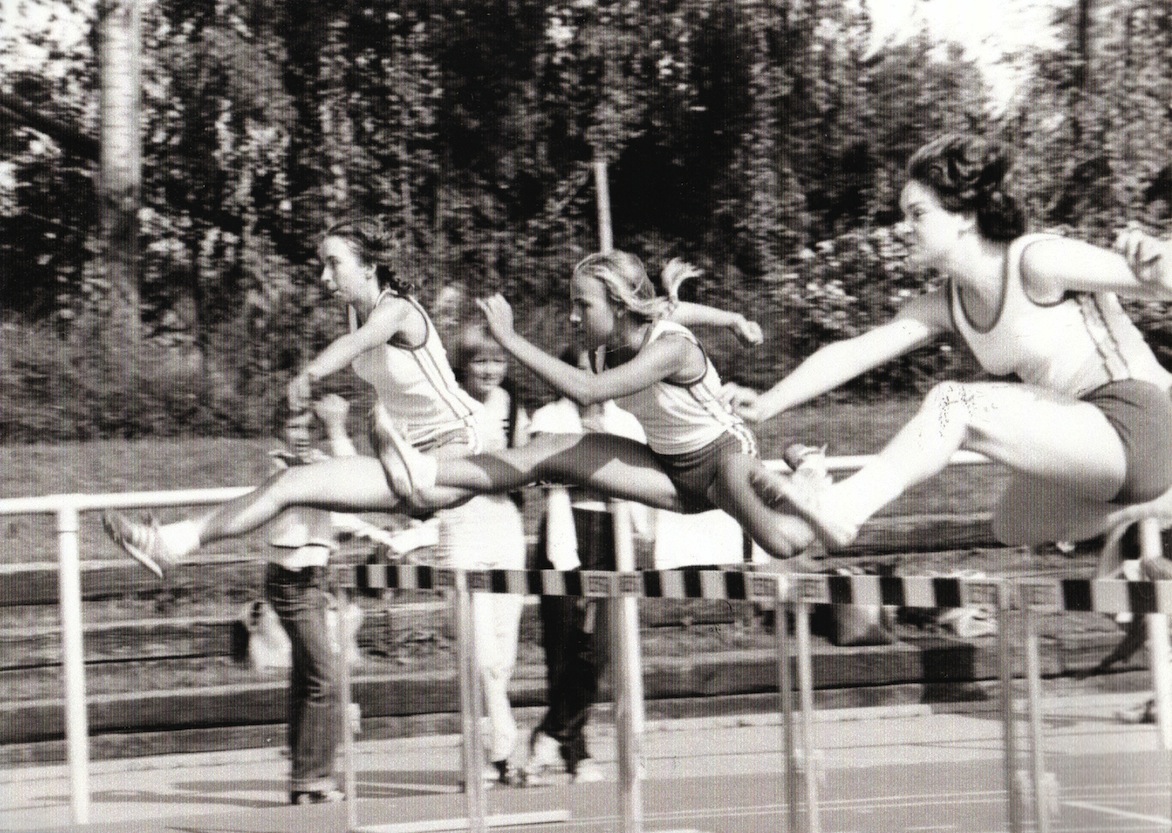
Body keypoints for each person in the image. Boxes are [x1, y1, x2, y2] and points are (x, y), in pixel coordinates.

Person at [734, 134, 1172, 576]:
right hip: (1094, 436)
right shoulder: (948, 303)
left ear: (963, 216)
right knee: (1015, 523)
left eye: (918, 214)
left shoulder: (1036, 259)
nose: (905, 227)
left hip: (1143, 420)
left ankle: (844, 507)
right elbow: (855, 352)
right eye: (904, 216)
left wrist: (1158, 255)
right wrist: (769, 402)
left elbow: (1160, 281)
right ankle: (1160, 505)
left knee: (954, 403)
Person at [101, 215, 491, 578]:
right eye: (323, 265)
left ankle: (415, 520)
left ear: (369, 266)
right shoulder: (356, 311)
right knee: (289, 483)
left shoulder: (397, 310)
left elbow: (357, 343)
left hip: (456, 447)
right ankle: (169, 543)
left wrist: (312, 372)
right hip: (409, 456)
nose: (324, 276)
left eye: (334, 263)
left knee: (385, 480)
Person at [367, 250, 817, 563]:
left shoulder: (670, 348)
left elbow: (588, 391)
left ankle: (808, 478)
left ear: (619, 306)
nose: (573, 316)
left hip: (725, 459)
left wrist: (510, 339)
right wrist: (732, 319)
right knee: (548, 450)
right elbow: (674, 307)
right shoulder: (613, 342)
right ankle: (423, 471)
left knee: (783, 543)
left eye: (583, 305)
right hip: (669, 472)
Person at [525, 345, 648, 784]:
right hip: (565, 530)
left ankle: (550, 731)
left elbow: (639, 478)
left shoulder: (626, 422)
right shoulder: (547, 418)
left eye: (598, 371)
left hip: (612, 531)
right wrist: (596, 454)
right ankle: (576, 752)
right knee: (562, 644)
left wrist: (591, 456)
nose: (589, 381)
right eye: (579, 371)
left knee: (602, 646)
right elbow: (544, 470)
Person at [446, 320, 530, 786]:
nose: (490, 370)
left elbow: (525, 465)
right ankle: (502, 745)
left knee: (503, 649)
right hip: (461, 523)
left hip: (504, 523)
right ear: (463, 364)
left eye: (498, 360)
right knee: (478, 655)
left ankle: (490, 756)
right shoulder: (446, 400)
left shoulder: (512, 404)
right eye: (481, 360)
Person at [264, 394, 357, 806]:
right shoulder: (281, 466)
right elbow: (341, 482)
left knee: (308, 678)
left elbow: (355, 481)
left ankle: (304, 777)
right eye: (293, 426)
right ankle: (311, 776)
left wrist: (337, 430)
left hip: (314, 579)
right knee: (325, 679)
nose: (301, 435)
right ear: (279, 430)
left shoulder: (318, 463)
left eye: (309, 427)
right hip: (290, 582)